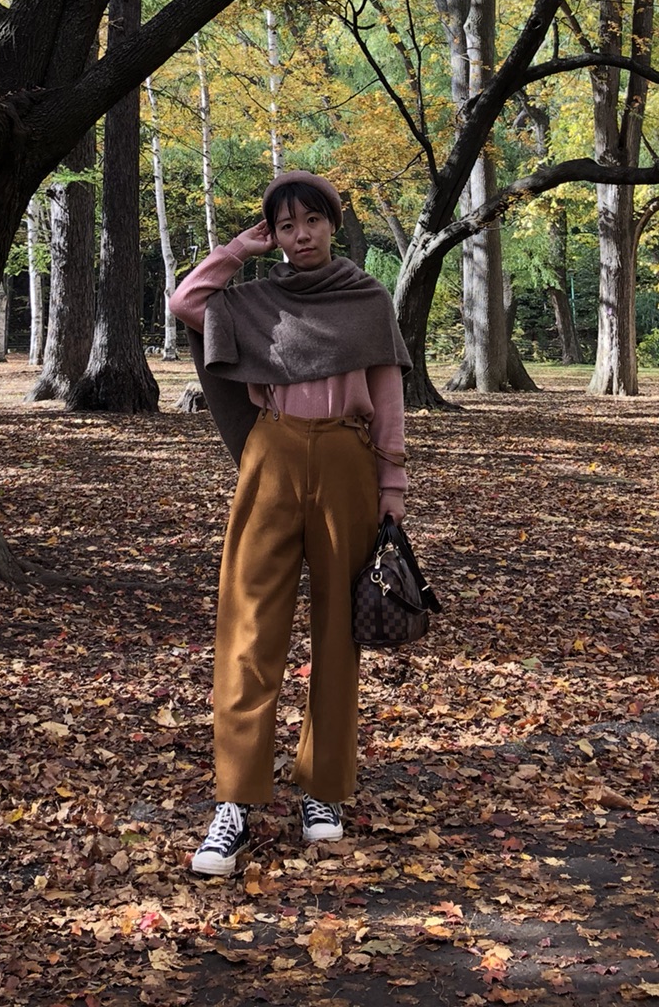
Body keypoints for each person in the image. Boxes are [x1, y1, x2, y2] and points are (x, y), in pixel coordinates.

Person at [168, 170, 410, 877]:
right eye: (285, 225)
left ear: (334, 224)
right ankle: (235, 803)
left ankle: (323, 793)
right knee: (248, 626)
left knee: (340, 630)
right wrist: (238, 249)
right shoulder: (252, 300)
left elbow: (389, 398)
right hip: (270, 456)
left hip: (347, 460)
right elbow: (187, 301)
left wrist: (393, 484)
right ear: (271, 233)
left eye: (312, 221)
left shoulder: (366, 299)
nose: (300, 235)